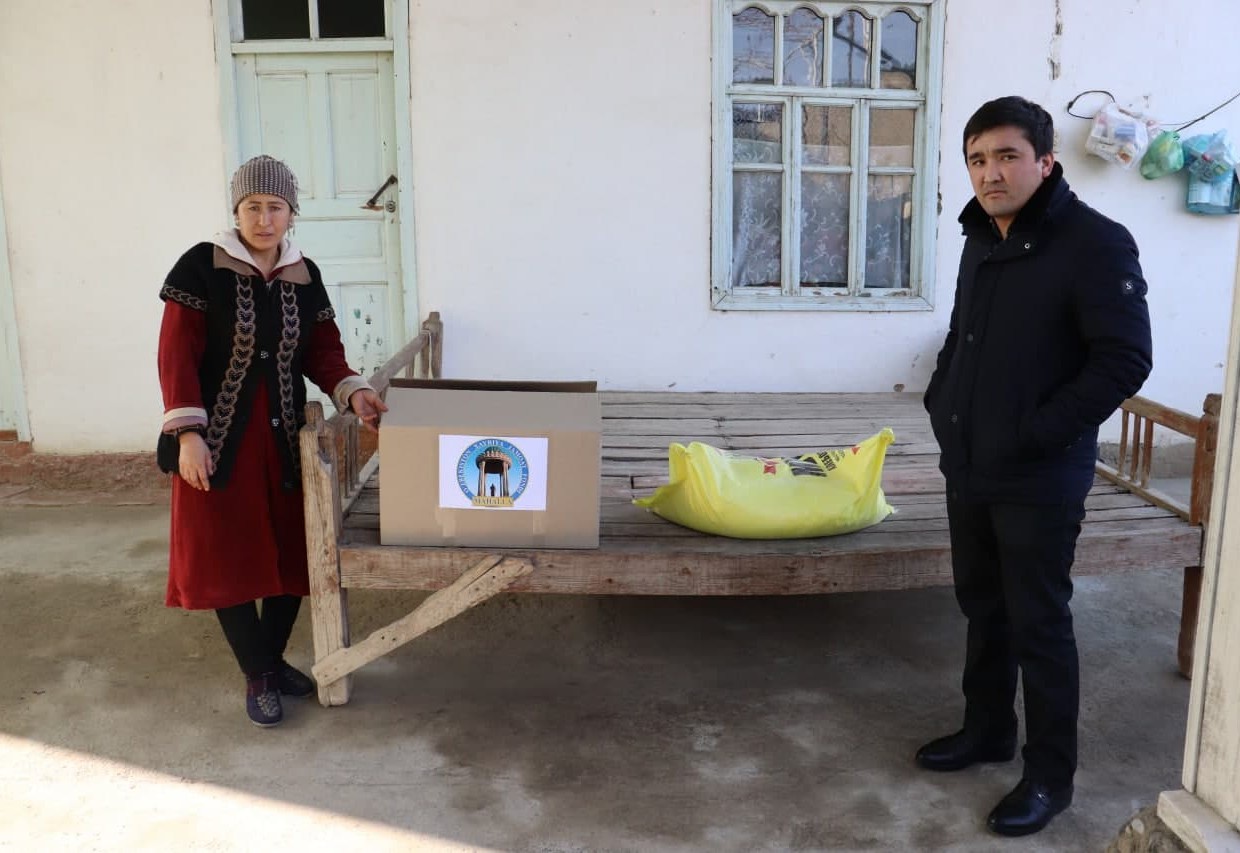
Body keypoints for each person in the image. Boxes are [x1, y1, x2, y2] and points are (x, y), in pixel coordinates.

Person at [919, 97, 1152, 836]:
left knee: (1038, 624)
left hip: (1039, 475)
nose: (990, 173)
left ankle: (1050, 776)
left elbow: (1124, 359)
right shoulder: (979, 236)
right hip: (970, 462)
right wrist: (942, 400)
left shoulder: (1095, 243)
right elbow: (963, 334)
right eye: (977, 159)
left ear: (1045, 162)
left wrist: (1037, 432)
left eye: (1007, 156)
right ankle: (987, 729)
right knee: (982, 607)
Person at [157, 155, 388, 727]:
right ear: (236, 210)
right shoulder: (201, 266)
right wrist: (189, 434)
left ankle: (270, 659)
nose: (264, 219)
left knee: (293, 550)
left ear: (292, 213)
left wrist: (353, 390)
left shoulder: (303, 274)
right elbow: (176, 356)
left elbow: (323, 351)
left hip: (285, 441)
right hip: (218, 442)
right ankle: (259, 673)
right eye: (252, 207)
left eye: (275, 207)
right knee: (225, 554)